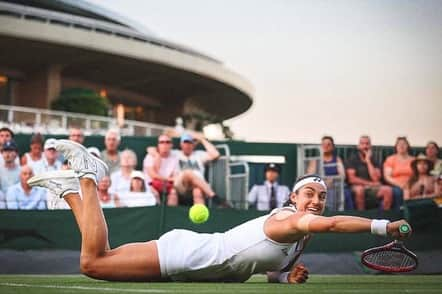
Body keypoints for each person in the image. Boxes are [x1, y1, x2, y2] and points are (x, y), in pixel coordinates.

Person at [27, 139, 412, 283]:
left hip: (192, 259)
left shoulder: (300, 235)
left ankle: (69, 192)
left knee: (100, 258)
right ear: (294, 199)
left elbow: (265, 268)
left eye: (321, 196)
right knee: (92, 264)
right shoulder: (295, 220)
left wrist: (284, 278)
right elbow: (333, 223)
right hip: (188, 257)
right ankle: (89, 179)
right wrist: (383, 225)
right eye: (309, 194)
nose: (315, 201)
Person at [172, 132, 222, 206]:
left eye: (190, 143)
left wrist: (202, 139)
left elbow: (216, 154)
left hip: (198, 185)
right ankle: (213, 195)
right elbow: (163, 144)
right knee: (188, 173)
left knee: (198, 192)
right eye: (185, 142)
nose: (187, 145)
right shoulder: (175, 154)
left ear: (193, 145)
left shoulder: (199, 154)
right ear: (181, 144)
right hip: (181, 185)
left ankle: (200, 217)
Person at [346, 135, 393, 210]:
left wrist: (368, 161)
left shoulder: (374, 160)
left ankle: (383, 217)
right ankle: (361, 217)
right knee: (359, 190)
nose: (365, 146)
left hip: (372, 187)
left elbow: (376, 179)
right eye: (362, 144)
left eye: (367, 144)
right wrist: (370, 184)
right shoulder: (353, 158)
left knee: (387, 190)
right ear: (358, 146)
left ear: (370, 146)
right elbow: (352, 179)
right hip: (357, 186)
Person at [306, 135, 353, 210]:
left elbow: (342, 176)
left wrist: (332, 180)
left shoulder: (337, 159)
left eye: (329, 144)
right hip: (320, 186)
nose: (326, 146)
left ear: (333, 147)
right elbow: (310, 176)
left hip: (336, 186)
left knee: (345, 192)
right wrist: (323, 182)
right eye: (323, 144)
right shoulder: (315, 161)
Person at [143, 134, 179, 205]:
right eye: (162, 142)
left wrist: (170, 181)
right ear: (158, 145)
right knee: (154, 194)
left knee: (173, 193)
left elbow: (175, 175)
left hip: (167, 184)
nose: (165, 144)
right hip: (150, 184)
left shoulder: (175, 157)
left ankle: (170, 214)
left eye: (167, 142)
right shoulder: (150, 156)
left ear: (171, 145)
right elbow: (153, 175)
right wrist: (157, 156)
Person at [383, 137, 414, 209]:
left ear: (408, 146)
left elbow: (418, 175)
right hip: (395, 184)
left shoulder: (413, 160)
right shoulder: (391, 159)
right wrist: (400, 184)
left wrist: (409, 184)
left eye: (404, 144)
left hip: (411, 184)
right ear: (396, 147)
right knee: (397, 192)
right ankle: (399, 213)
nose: (401, 146)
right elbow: (387, 177)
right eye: (399, 144)